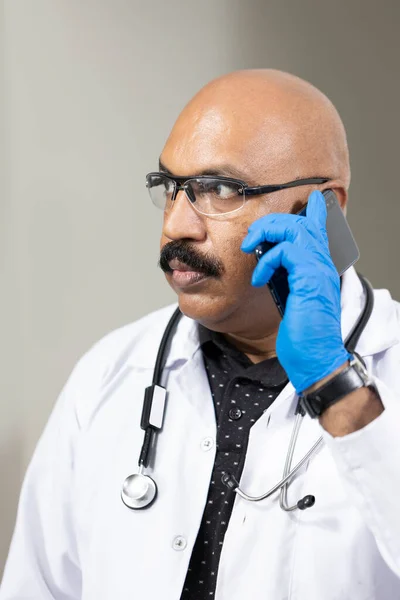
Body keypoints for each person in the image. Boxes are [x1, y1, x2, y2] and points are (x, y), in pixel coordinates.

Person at [1, 69, 400, 600]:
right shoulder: (109, 373)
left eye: (218, 189)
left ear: (323, 209)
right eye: (171, 188)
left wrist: (333, 381)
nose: (176, 227)